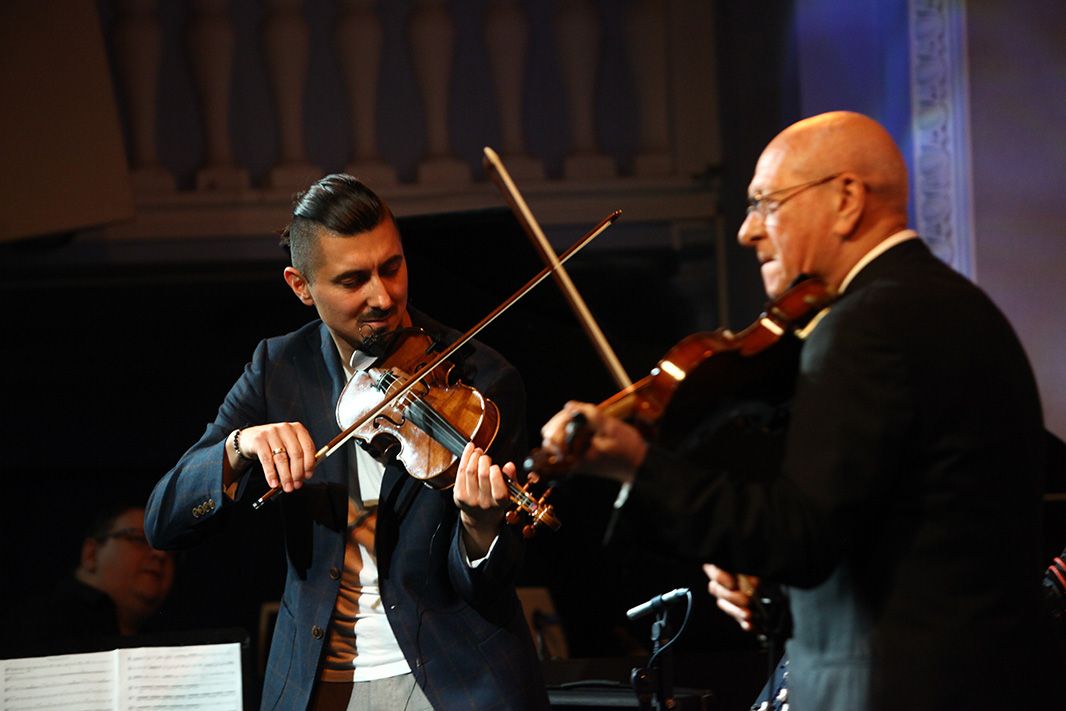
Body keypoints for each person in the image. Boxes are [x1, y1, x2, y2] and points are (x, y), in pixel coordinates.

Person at [462, 111, 1058, 709]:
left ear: (847, 200)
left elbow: (800, 535)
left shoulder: (864, 327)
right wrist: (775, 596)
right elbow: (894, 538)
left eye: (766, 204)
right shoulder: (959, 308)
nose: (748, 232)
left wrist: (637, 465)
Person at [145, 174, 548, 710]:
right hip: (318, 681)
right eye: (353, 280)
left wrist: (480, 528)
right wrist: (240, 446)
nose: (383, 297)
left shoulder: (479, 380)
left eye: (392, 267)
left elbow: (488, 585)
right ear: (301, 286)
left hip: (452, 676)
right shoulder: (278, 368)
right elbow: (164, 522)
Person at [2, 502, 175, 657]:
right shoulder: (33, 623)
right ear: (91, 554)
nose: (160, 555)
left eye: (169, 550)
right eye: (139, 539)